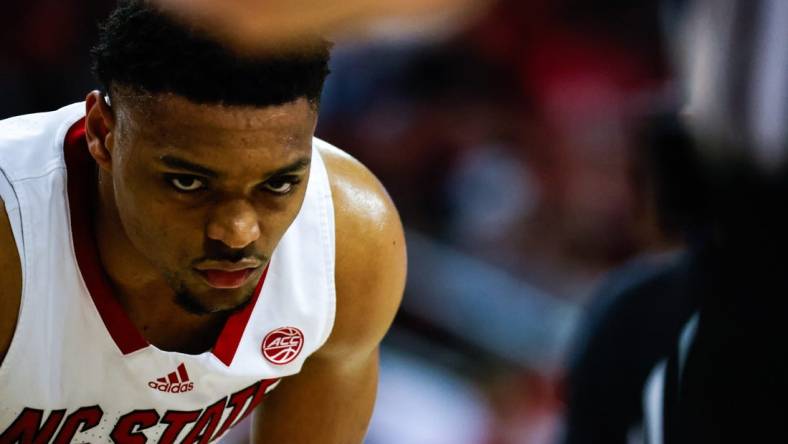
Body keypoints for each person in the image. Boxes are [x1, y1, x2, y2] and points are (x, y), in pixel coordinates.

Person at [0, 1, 406, 443]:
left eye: (278, 185)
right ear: (103, 133)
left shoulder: (348, 241)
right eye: (189, 183)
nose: (237, 232)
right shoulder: (13, 235)